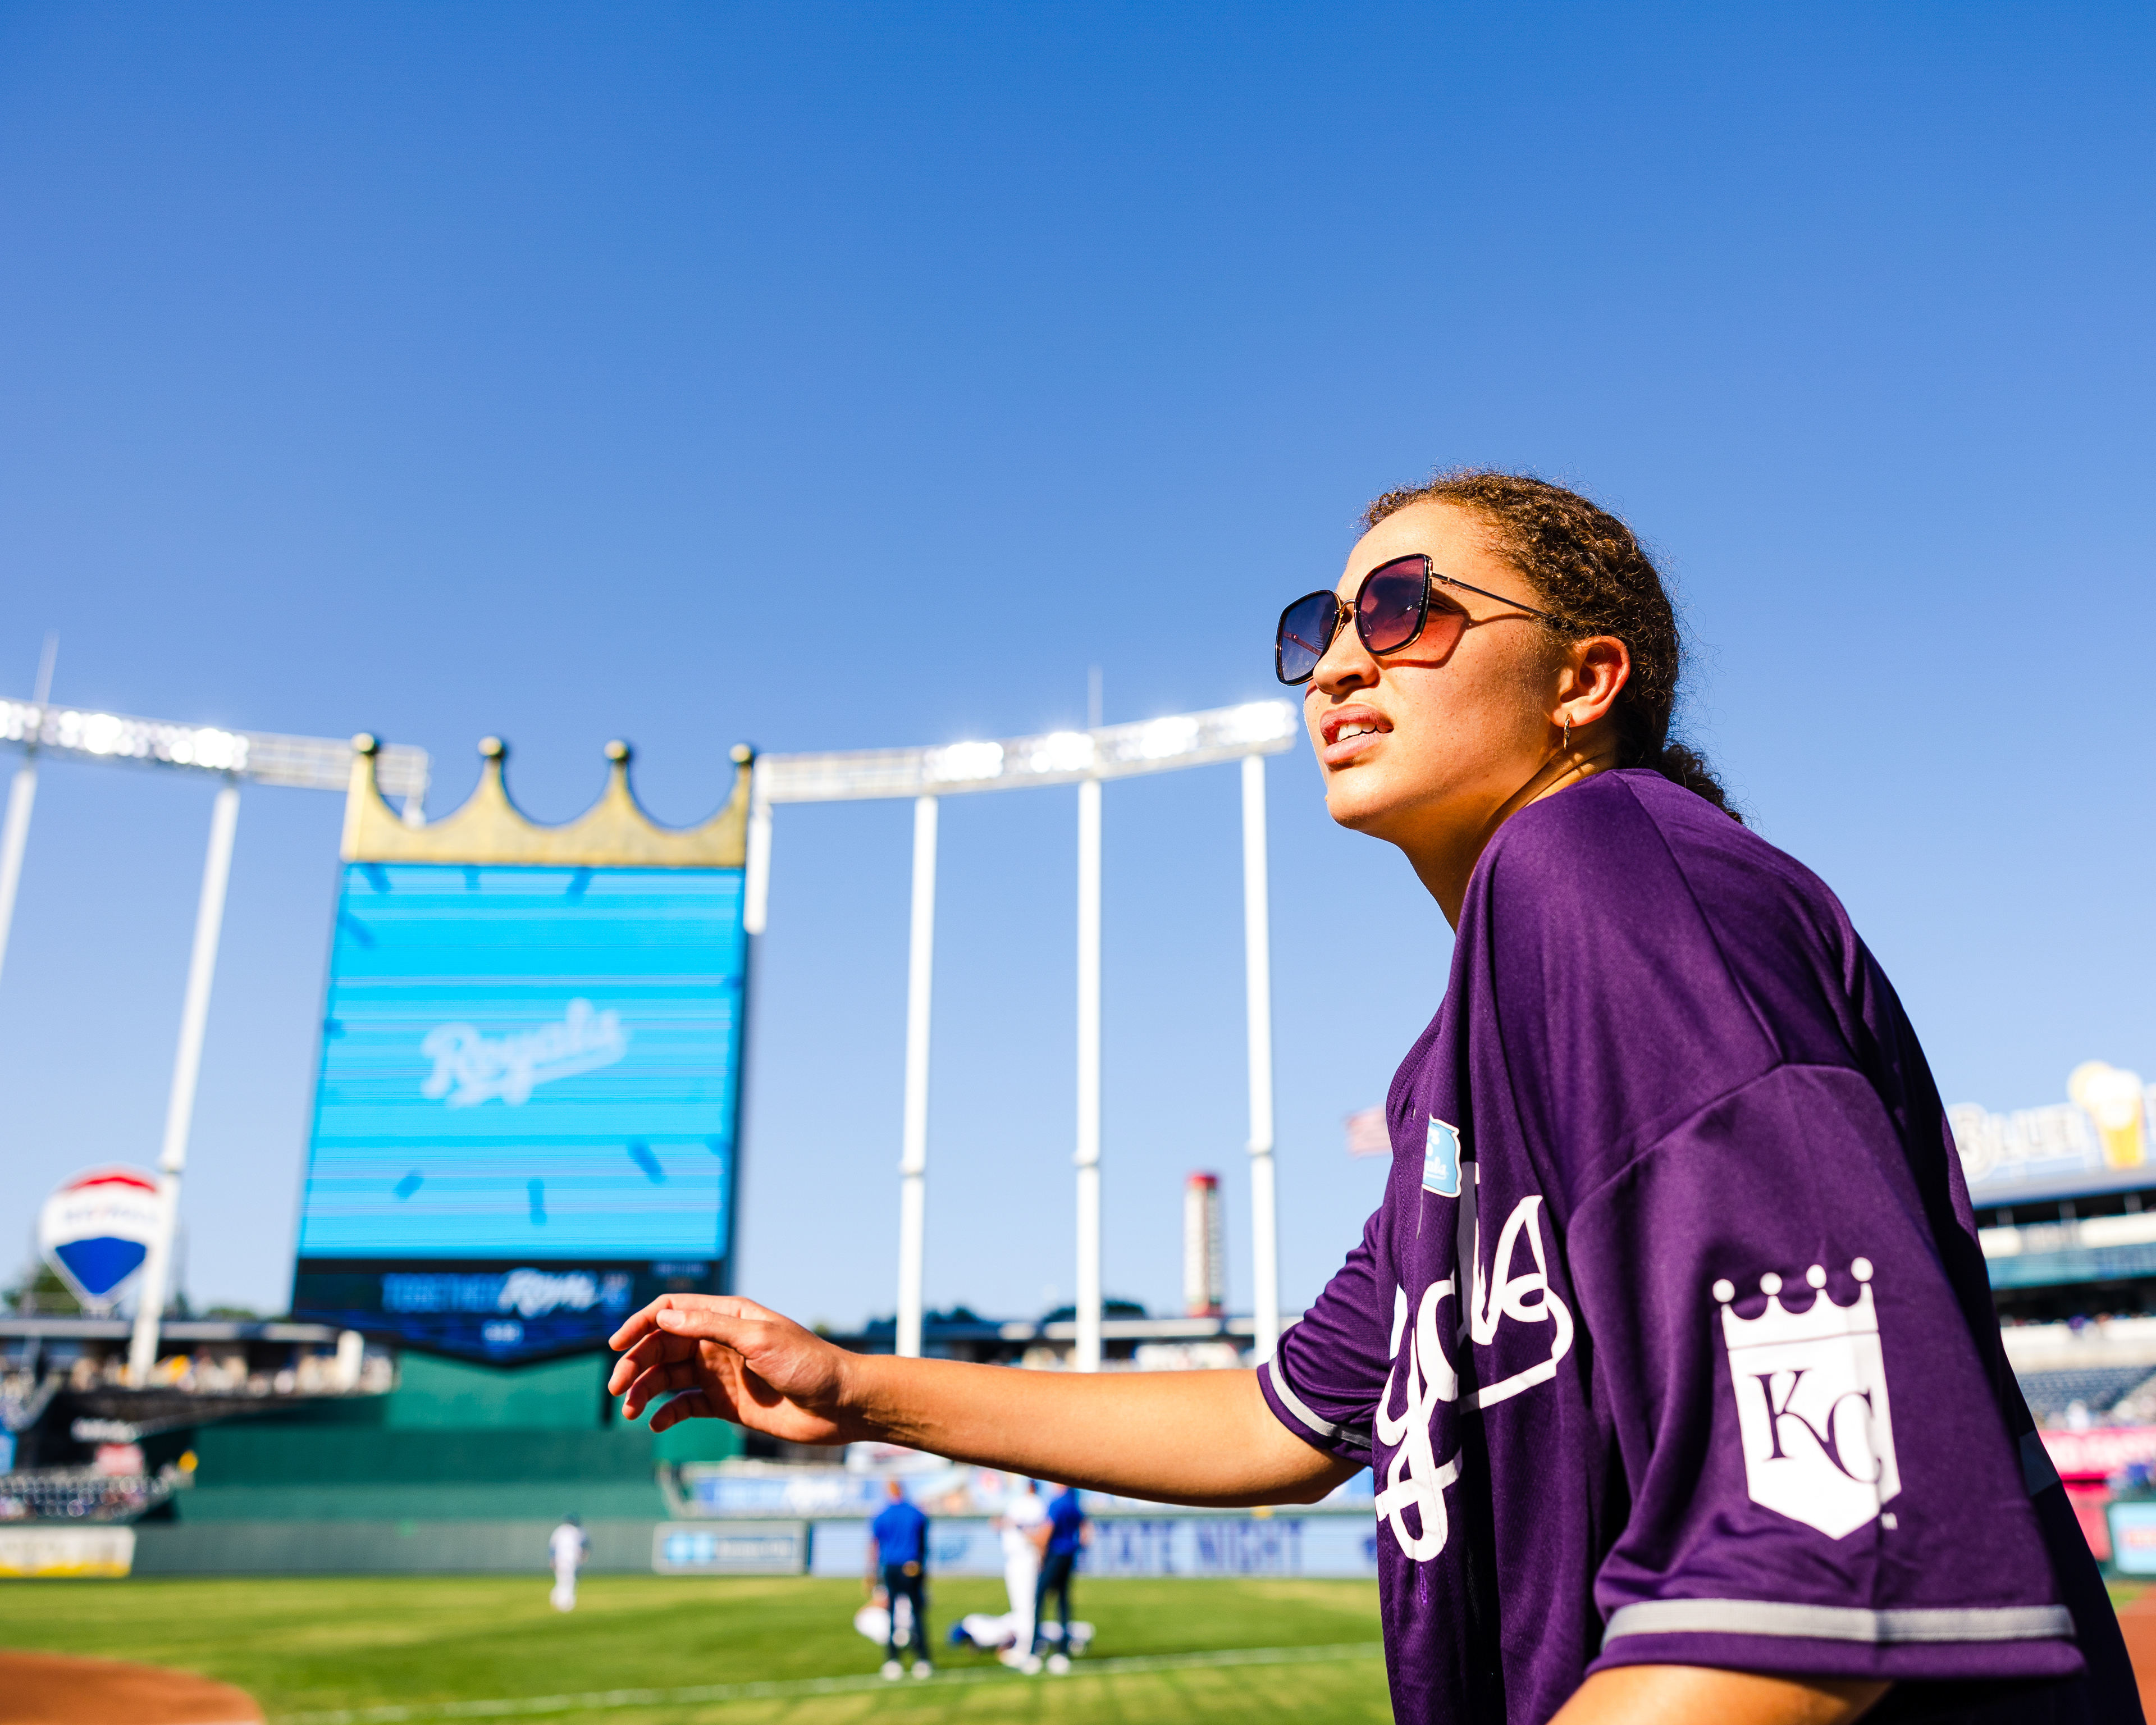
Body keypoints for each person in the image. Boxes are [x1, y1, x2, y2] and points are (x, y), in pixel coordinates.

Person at [607, 470, 2137, 1724]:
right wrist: (855, 1387)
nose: (1335, 666)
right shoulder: (1456, 1068)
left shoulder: (1605, 861)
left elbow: (1824, 1540)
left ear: (1584, 682)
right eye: (1320, 627)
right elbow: (1281, 1421)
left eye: (1403, 613)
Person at [866, 1477, 932, 1680]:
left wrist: (871, 1572)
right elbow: (924, 1542)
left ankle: (893, 1660)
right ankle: (923, 1659)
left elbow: (874, 1545)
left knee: (892, 1612)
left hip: (892, 1567)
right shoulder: (916, 1513)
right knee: (917, 1613)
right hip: (912, 1566)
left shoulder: (882, 1515)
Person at [1030, 1482, 1089, 1673]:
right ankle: (1062, 1652)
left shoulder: (1057, 1503)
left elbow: (1045, 1534)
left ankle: (1034, 1652)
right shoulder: (1074, 1502)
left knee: (1039, 1601)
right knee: (1063, 1603)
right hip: (1069, 1556)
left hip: (1055, 1556)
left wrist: (1039, 1553)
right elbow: (1086, 1533)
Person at [995, 1477, 1048, 1669]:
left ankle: (1028, 1646)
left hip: (1027, 1557)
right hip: (1014, 1558)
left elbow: (1038, 1533)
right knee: (1020, 1605)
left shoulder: (1038, 1505)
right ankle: (1026, 1643)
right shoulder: (1018, 1503)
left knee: (1027, 1605)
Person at [547, 1513, 586, 1612]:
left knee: (563, 1581)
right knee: (568, 1581)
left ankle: (560, 1600)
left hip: (560, 1560)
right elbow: (584, 1545)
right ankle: (564, 1604)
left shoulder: (559, 1531)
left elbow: (552, 1547)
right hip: (568, 1560)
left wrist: (552, 1559)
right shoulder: (576, 1531)